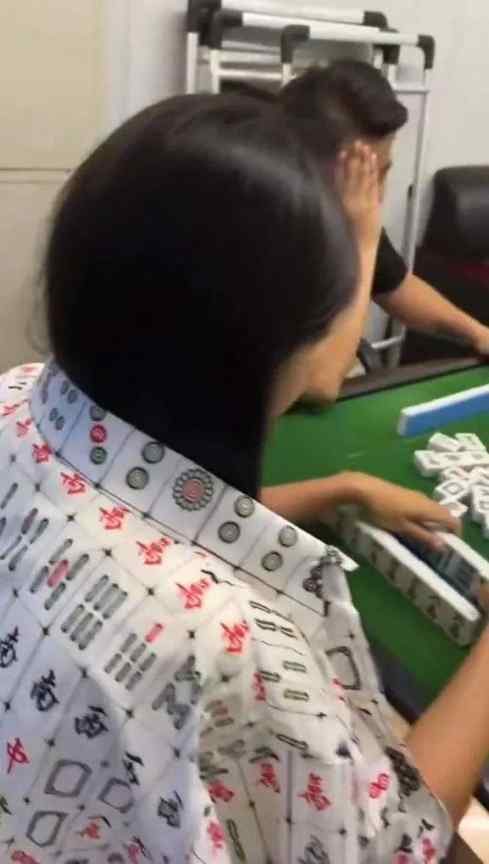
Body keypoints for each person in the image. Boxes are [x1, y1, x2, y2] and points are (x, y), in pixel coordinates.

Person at [0, 91, 486, 864]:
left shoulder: (18, 395)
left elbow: (135, 512)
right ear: (263, 344)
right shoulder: (225, 640)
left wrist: (337, 491)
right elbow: (394, 846)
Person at [278, 60, 489, 401]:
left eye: (383, 172)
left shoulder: (345, 215)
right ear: (305, 164)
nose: (376, 195)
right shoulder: (268, 224)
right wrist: (363, 241)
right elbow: (319, 383)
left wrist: (477, 332)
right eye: (363, 176)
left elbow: (396, 286)